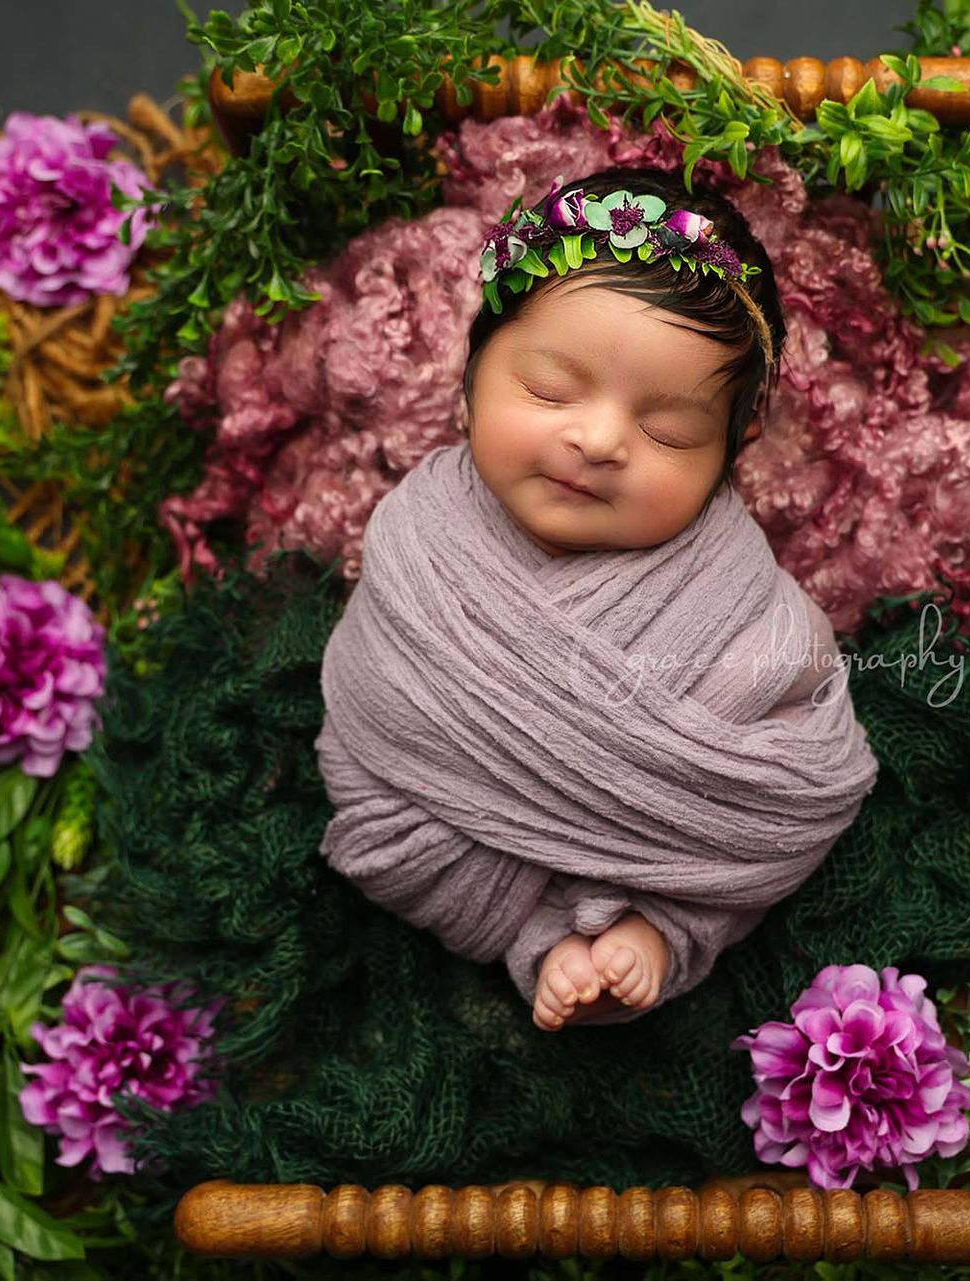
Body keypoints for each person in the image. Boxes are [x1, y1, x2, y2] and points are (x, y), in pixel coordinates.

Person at [314, 164, 879, 1033]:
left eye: (668, 431)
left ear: (733, 452)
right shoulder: (417, 538)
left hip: (664, 863)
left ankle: (661, 931)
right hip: (439, 843)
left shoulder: (746, 605)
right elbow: (367, 711)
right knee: (379, 803)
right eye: (547, 390)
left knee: (739, 839)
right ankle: (546, 930)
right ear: (470, 375)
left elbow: (807, 782)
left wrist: (657, 896)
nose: (600, 439)